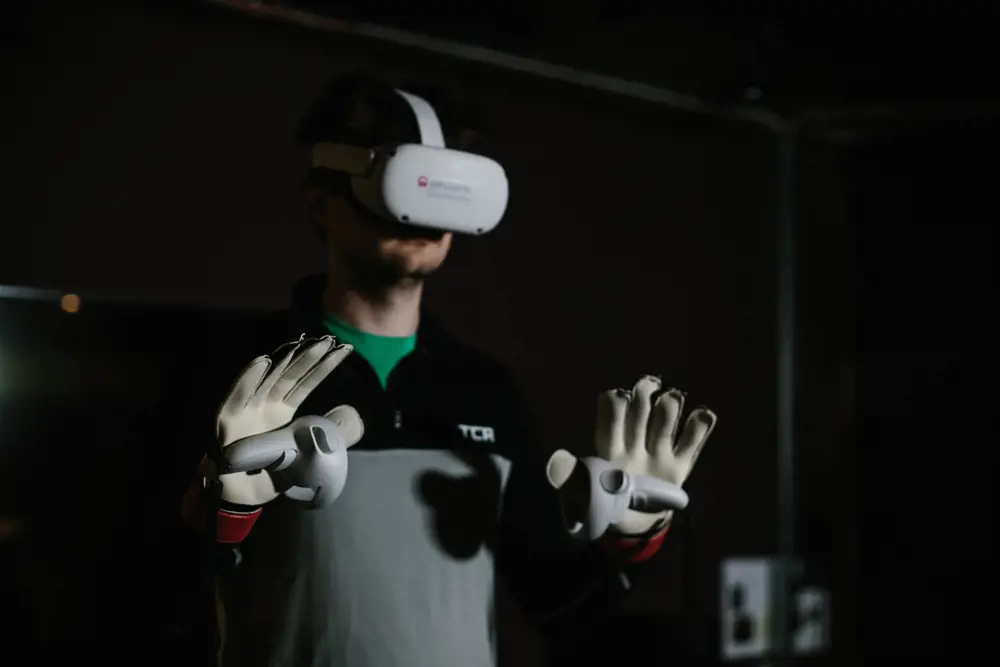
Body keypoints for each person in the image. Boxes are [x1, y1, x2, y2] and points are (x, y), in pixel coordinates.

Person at [177, 71, 717, 667]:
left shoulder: (487, 392)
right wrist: (222, 511)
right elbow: (155, 591)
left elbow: (563, 607)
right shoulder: (244, 374)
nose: (420, 210)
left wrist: (631, 537)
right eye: (403, 180)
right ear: (322, 202)